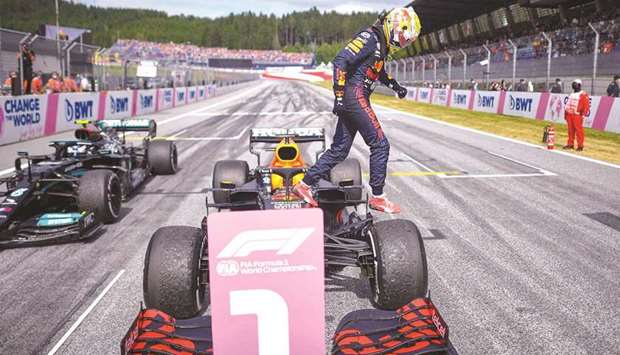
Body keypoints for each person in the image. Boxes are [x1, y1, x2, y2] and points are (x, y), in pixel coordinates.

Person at [293, 6, 421, 214]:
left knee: (339, 151)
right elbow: (340, 61)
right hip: (354, 96)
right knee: (380, 145)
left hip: (354, 98)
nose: (404, 43)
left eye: (408, 41)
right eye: (404, 38)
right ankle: (378, 197)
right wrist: (340, 96)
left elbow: (376, 71)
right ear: (394, 26)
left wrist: (394, 85)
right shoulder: (370, 37)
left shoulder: (381, 44)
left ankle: (304, 185)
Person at [563, 79, 590, 152]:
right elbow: (567, 104)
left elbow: (586, 106)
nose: (573, 85)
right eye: (573, 83)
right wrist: (565, 114)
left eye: (575, 84)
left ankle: (580, 145)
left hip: (577, 115)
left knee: (579, 130)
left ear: (579, 85)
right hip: (569, 114)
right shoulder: (571, 94)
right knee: (570, 130)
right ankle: (570, 144)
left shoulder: (583, 94)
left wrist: (583, 114)